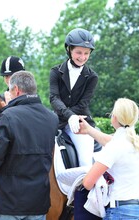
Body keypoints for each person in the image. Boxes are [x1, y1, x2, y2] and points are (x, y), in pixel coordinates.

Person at [0, 71, 59, 220]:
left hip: (8, 203)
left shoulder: (7, 116)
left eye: (10, 91)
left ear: (16, 90)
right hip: (38, 203)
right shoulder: (52, 118)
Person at [79, 97, 139, 219]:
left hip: (118, 211)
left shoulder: (115, 146)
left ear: (115, 117)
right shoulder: (133, 143)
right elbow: (112, 142)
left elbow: (87, 182)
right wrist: (89, 130)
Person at [49, 27, 98, 167]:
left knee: (85, 161)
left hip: (81, 124)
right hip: (56, 121)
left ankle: (86, 188)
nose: (82, 57)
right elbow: (54, 98)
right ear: (69, 50)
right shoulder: (55, 72)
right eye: (78, 52)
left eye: (86, 53)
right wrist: (69, 116)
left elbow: (83, 103)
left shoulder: (92, 77)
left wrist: (73, 117)